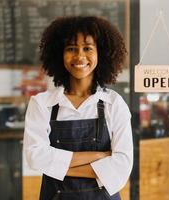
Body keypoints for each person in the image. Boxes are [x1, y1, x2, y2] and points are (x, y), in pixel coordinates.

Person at [23, 16, 133, 200]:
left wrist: (57, 166)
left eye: (88, 48)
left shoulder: (114, 103)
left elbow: (121, 167)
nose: (80, 56)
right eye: (71, 49)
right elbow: (35, 157)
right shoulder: (42, 103)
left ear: (101, 53)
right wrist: (99, 156)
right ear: (59, 54)